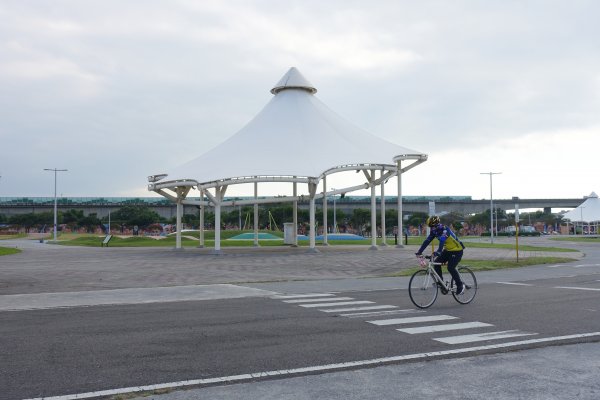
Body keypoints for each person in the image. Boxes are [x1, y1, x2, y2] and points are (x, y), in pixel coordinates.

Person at [415, 216, 466, 295]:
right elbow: (427, 241)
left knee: (450, 267)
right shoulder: (434, 231)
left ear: (437, 224)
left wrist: (438, 251)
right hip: (448, 250)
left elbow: (442, 240)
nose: (431, 229)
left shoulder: (445, 229)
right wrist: (419, 252)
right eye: (430, 227)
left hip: (457, 250)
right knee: (436, 263)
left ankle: (460, 285)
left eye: (432, 226)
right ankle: (441, 282)